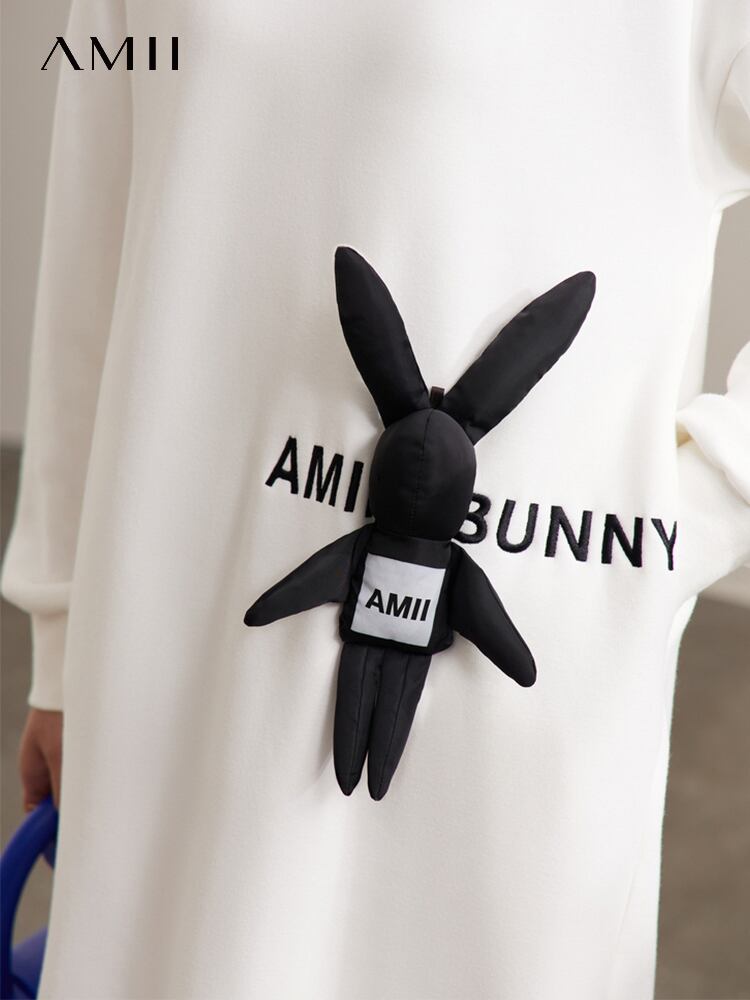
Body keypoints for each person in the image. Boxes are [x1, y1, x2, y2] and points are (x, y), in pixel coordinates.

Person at [3, 1, 749, 997]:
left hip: (495, 707)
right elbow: (93, 217)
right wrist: (60, 635)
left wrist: (704, 502)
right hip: (159, 650)